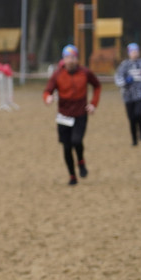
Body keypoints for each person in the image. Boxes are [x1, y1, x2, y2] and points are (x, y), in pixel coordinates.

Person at [42, 44, 101, 185]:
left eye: (73, 57)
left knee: (76, 141)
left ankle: (80, 161)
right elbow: (47, 91)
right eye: (67, 57)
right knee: (66, 147)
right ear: (63, 59)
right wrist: (48, 98)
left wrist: (93, 104)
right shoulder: (57, 74)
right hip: (63, 115)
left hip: (80, 113)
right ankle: (72, 176)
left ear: (77, 59)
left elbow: (97, 86)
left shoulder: (85, 73)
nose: (70, 60)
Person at [114, 43, 141, 146]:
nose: (135, 53)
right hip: (128, 96)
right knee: (131, 118)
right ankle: (134, 139)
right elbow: (118, 79)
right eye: (132, 51)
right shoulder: (124, 65)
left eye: (136, 51)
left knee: (138, 113)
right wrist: (125, 82)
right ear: (129, 53)